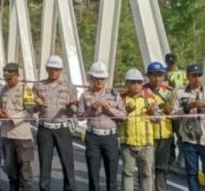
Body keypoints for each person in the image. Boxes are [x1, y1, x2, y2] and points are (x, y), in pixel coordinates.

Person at [172, 64, 205, 191]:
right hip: (189, 140)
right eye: (193, 75)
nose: (197, 78)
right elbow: (173, 115)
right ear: (188, 76)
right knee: (191, 172)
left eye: (199, 75)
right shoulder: (179, 92)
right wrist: (187, 108)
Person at [33, 55, 78, 191]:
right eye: (51, 69)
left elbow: (74, 112)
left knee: (67, 165)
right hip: (45, 129)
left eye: (57, 69)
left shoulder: (69, 87)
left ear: (61, 70)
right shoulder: (38, 86)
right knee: (45, 165)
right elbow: (32, 109)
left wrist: (71, 106)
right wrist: (37, 105)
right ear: (47, 69)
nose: (54, 72)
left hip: (62, 129)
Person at [77, 62, 124, 191]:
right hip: (92, 137)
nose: (99, 81)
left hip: (110, 137)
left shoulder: (114, 94)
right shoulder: (85, 95)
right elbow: (80, 116)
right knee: (93, 174)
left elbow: (123, 116)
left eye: (102, 78)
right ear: (91, 78)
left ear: (106, 79)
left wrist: (109, 109)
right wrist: (91, 109)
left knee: (112, 174)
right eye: (96, 78)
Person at [120, 68, 159, 191]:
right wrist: (124, 112)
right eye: (132, 82)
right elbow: (116, 119)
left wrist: (153, 113)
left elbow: (158, 120)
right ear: (127, 83)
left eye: (138, 82)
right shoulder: (121, 99)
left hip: (146, 144)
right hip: (127, 143)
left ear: (142, 83)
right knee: (127, 174)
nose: (136, 85)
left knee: (147, 175)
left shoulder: (150, 99)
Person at [0, 63, 34, 191]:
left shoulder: (25, 89)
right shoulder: (3, 90)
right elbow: (1, 107)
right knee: (11, 171)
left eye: (11, 78)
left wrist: (12, 118)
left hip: (22, 135)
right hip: (7, 135)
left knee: (25, 170)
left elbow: (30, 111)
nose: (8, 80)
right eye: (6, 78)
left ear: (17, 75)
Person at [143, 61, 174, 191]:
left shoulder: (168, 92)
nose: (157, 78)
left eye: (160, 75)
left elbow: (175, 112)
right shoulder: (142, 91)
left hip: (165, 134)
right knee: (147, 168)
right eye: (154, 75)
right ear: (148, 76)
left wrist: (169, 111)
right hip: (148, 135)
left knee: (162, 167)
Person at [165, 52, 186, 167]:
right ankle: (170, 158)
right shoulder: (161, 73)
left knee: (180, 135)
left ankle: (180, 161)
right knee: (167, 136)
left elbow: (185, 89)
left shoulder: (181, 74)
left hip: (177, 108)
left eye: (172, 63)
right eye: (169, 63)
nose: (170, 65)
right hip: (165, 108)